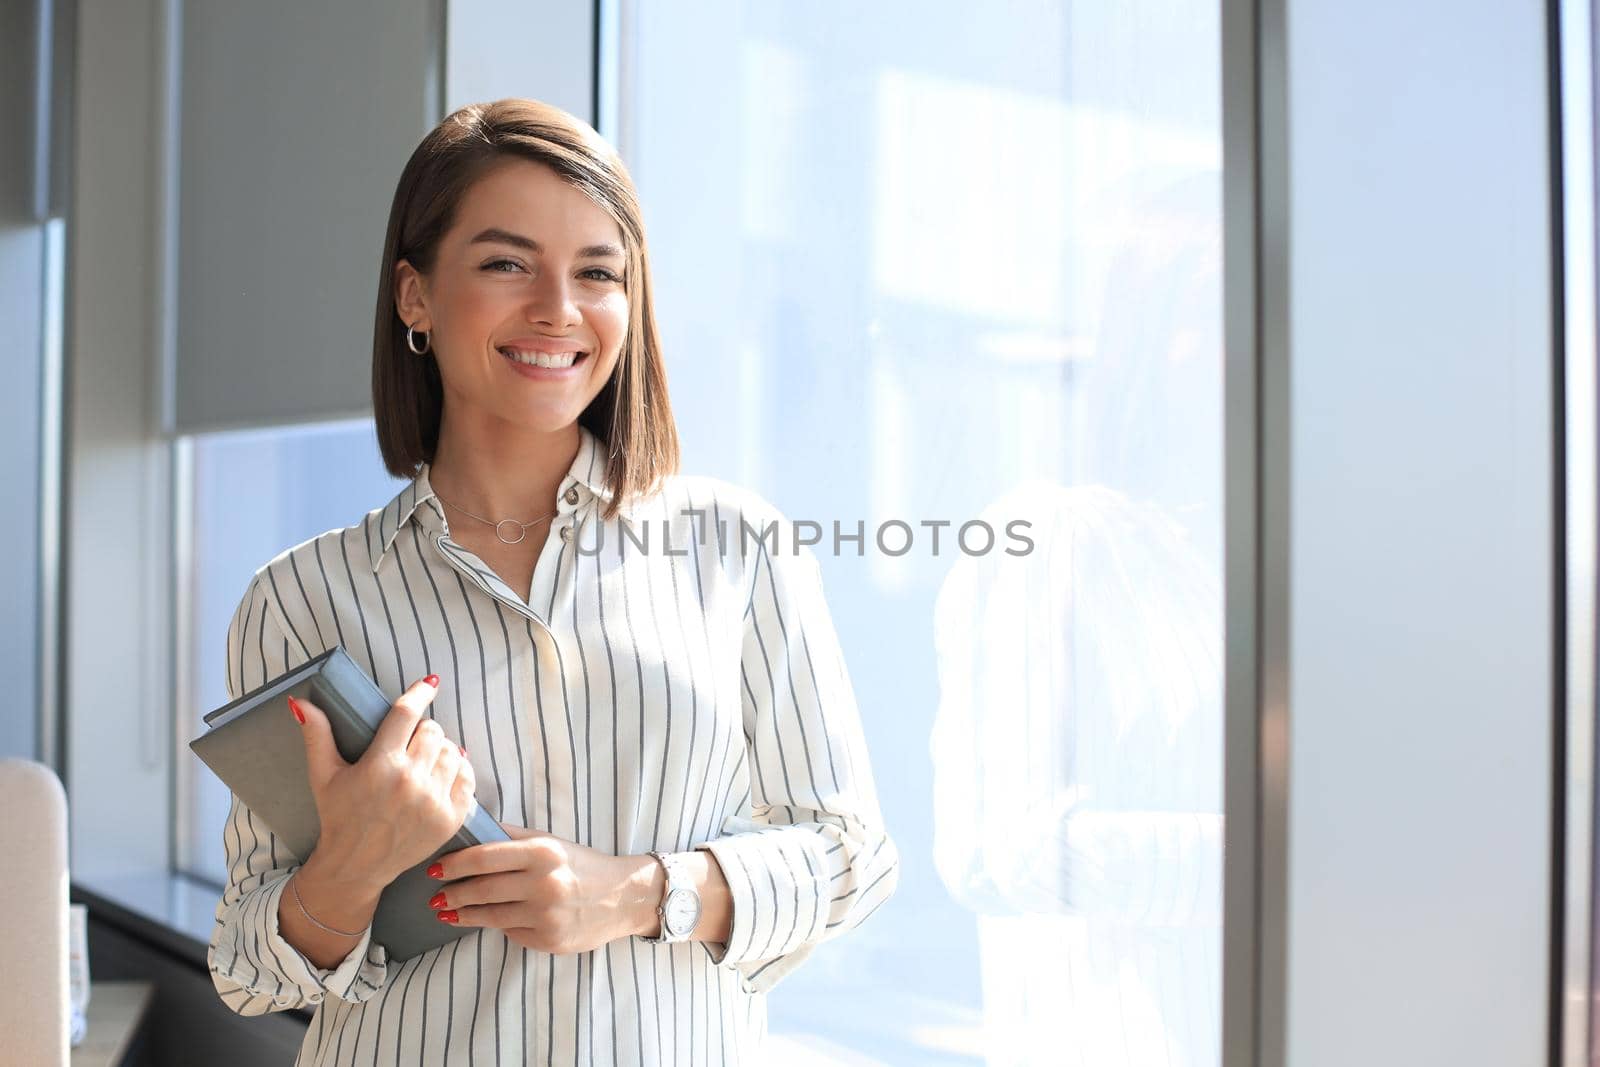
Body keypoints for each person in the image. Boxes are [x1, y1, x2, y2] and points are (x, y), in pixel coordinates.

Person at [206, 97, 899, 1065]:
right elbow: (247, 968)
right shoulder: (305, 596)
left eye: (598, 272)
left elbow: (852, 858)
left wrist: (636, 889)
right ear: (415, 295)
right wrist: (351, 867)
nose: (558, 308)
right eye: (505, 262)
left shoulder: (738, 549)